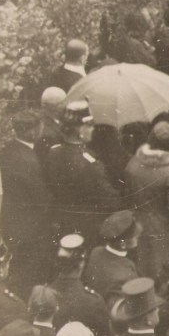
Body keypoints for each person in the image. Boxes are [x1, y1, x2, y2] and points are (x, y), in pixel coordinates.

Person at [123, 120, 169, 289]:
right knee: (163, 276)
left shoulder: (132, 163)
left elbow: (127, 196)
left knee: (142, 271)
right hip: (164, 231)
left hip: (137, 226)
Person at [44, 101, 121, 242]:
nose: (92, 129)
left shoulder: (53, 152)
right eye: (89, 125)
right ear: (79, 130)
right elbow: (110, 200)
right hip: (88, 226)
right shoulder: (90, 163)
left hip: (62, 221)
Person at [0, 109, 51, 294]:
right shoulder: (28, 160)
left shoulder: (9, 149)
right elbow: (40, 197)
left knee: (19, 265)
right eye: (40, 126)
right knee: (28, 271)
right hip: (29, 225)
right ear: (32, 131)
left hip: (13, 219)